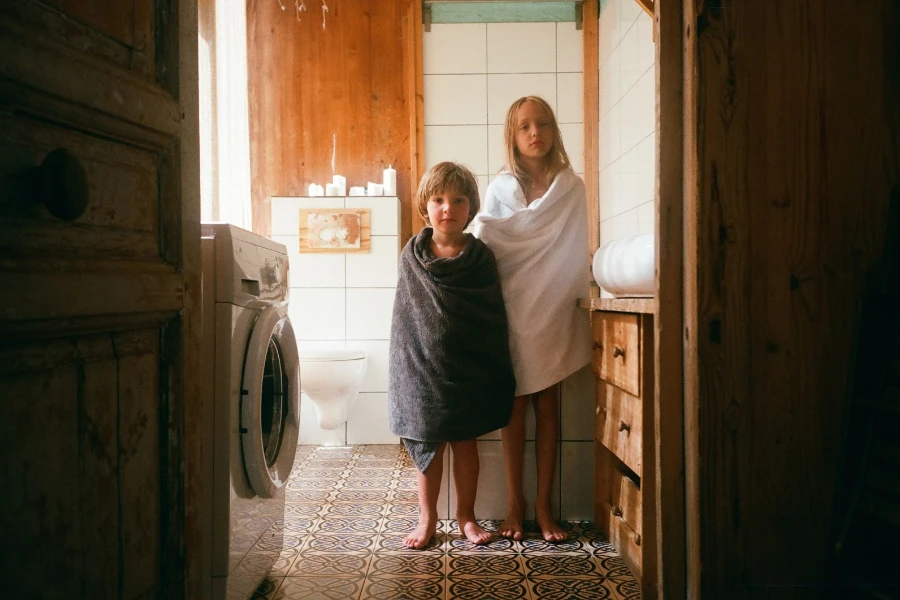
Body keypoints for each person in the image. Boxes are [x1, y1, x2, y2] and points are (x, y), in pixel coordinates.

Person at [472, 96, 592, 543]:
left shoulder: (571, 187)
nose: (534, 132)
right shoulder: (501, 187)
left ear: (554, 131)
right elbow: (489, 239)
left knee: (547, 406)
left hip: (554, 305)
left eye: (542, 124)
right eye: (524, 126)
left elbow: (572, 247)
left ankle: (544, 507)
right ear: (513, 135)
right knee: (514, 406)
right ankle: (514, 505)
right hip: (512, 304)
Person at [388, 161, 516, 549]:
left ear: (470, 207)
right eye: (439, 199)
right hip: (422, 370)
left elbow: (490, 318)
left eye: (458, 200)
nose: (448, 208)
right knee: (427, 446)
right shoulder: (411, 256)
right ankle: (427, 520)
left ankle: (465, 516)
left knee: (466, 444)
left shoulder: (481, 258)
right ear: (425, 206)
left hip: (469, 369)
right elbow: (406, 322)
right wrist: (411, 367)